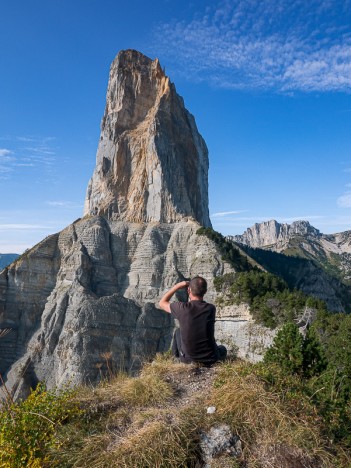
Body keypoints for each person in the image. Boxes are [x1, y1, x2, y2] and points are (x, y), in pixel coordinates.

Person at [159, 276, 227, 365]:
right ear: (205, 292)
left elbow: (162, 303)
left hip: (188, 360)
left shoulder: (182, 308)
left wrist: (177, 286)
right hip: (212, 358)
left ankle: (176, 359)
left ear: (188, 291)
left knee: (178, 331)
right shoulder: (211, 308)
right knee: (223, 349)